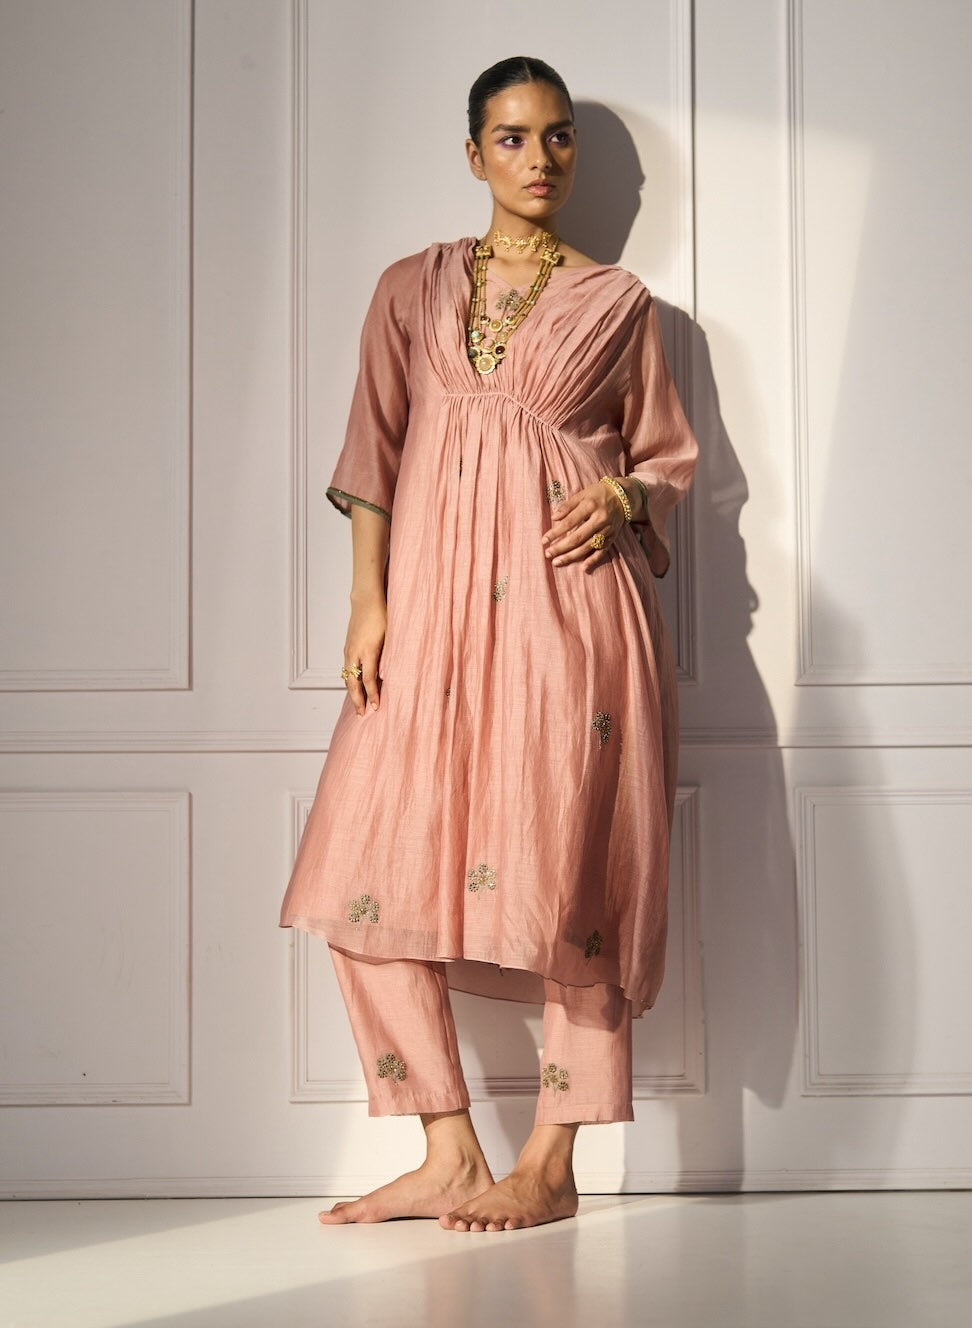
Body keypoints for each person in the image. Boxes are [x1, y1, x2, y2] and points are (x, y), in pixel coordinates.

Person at [279, 55, 698, 1233]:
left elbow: (666, 456)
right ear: (473, 155)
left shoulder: (618, 303)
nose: (540, 158)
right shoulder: (411, 289)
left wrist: (624, 496)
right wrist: (368, 603)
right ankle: (450, 1150)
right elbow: (373, 452)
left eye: (558, 136)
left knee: (575, 877)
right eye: (512, 138)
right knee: (355, 873)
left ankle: (554, 1161)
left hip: (575, 619)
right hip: (431, 617)